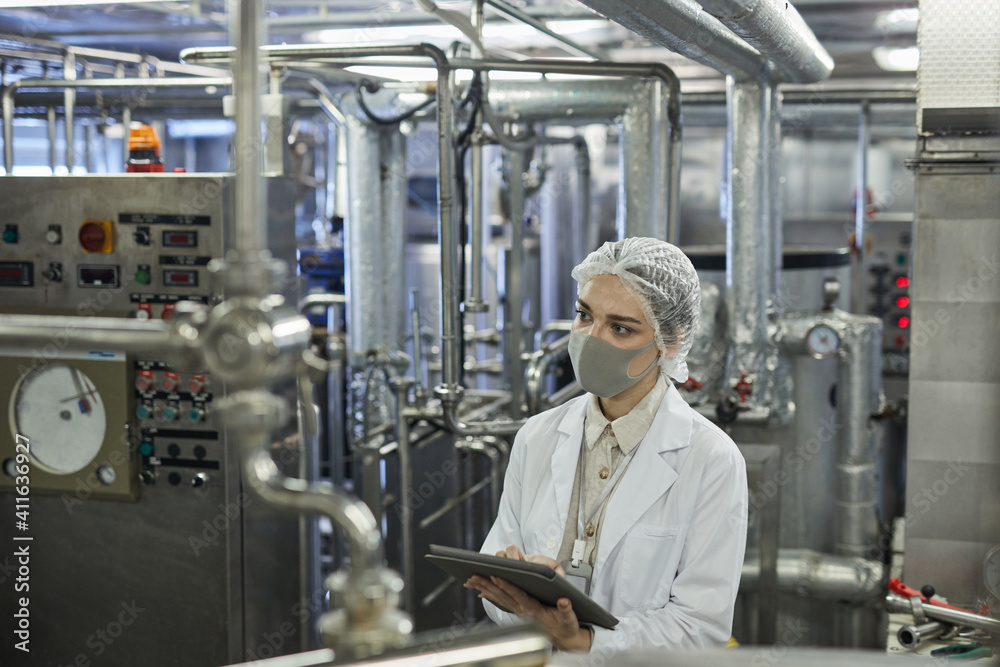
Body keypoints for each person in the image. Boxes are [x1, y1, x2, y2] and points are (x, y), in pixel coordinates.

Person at [466, 237, 748, 653]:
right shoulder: (538, 436)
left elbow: (699, 627)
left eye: (620, 327)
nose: (590, 338)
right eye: (584, 315)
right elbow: (496, 579)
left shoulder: (710, 459)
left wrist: (583, 640)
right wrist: (528, 598)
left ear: (670, 341)